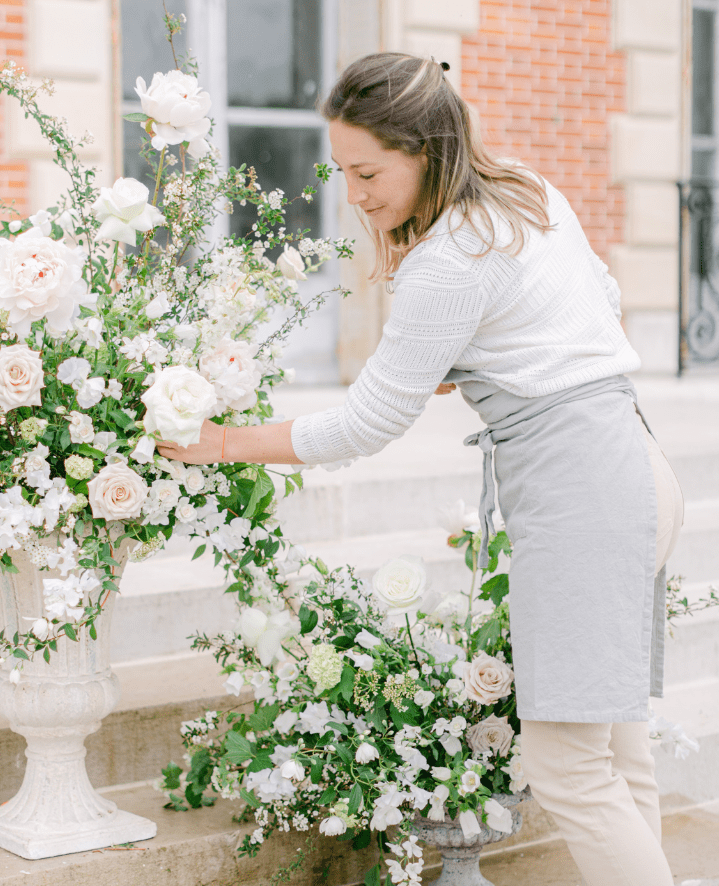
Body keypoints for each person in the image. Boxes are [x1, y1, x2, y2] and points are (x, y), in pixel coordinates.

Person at [155, 54, 685, 886]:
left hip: (584, 492)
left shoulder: (446, 261)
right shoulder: (523, 192)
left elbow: (367, 421)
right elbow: (601, 295)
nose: (356, 195)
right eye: (342, 173)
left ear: (427, 148)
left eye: (368, 172)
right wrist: (493, 350)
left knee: (569, 767)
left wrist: (223, 441)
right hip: (637, 463)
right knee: (615, 752)